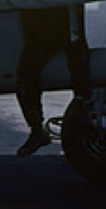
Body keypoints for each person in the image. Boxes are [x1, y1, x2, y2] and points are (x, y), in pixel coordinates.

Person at [14, 15, 69, 155]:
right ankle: (37, 130)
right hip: (57, 23)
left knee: (26, 73)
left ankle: (37, 130)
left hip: (56, 24)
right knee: (26, 75)